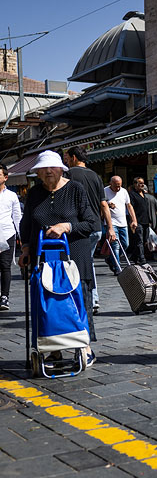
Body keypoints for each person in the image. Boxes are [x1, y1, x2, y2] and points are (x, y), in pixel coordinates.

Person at [18, 151, 99, 366]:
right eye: (42, 170)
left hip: (74, 255)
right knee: (49, 304)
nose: (47, 172)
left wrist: (67, 226)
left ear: (60, 168)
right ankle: (53, 349)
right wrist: (25, 248)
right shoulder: (34, 193)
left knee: (79, 301)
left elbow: (91, 223)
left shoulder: (75, 189)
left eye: (51, 168)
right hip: (44, 258)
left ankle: (85, 347)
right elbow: (27, 224)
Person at [65, 146, 116, 314]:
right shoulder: (95, 176)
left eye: (67, 157)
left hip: (79, 228)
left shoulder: (69, 174)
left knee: (81, 263)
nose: (65, 160)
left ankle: (89, 298)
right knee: (88, 262)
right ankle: (91, 298)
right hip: (96, 227)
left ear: (73, 158)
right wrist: (110, 227)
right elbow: (104, 204)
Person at [104, 176, 137, 273]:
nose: (118, 189)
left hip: (123, 222)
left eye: (119, 186)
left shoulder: (124, 191)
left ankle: (111, 258)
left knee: (125, 244)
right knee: (115, 245)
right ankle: (118, 268)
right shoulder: (105, 191)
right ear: (111, 184)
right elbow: (101, 204)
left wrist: (134, 220)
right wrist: (108, 205)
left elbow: (129, 205)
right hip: (111, 222)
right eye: (116, 186)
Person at [0, 163, 22, 311]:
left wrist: (22, 236)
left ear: (5, 177)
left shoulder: (12, 196)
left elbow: (17, 217)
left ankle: (4, 297)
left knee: (5, 266)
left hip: (7, 233)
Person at [128, 177, 150, 265]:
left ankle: (134, 256)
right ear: (135, 184)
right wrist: (133, 220)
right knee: (139, 240)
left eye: (143, 183)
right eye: (140, 183)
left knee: (145, 240)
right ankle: (142, 258)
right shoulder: (132, 194)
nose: (142, 185)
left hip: (146, 221)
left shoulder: (144, 194)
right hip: (138, 221)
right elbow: (130, 208)